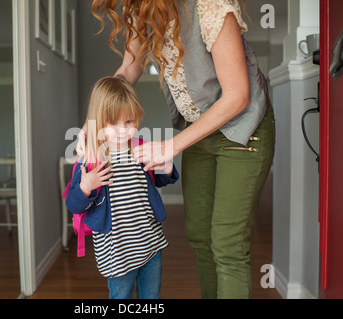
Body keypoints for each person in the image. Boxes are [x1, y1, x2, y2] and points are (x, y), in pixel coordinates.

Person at [80, 0, 276, 299]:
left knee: (227, 244)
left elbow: (238, 96)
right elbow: (130, 66)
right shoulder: (142, 8)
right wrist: (94, 119)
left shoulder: (210, 5)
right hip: (200, 129)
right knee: (199, 235)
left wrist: (170, 146)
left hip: (244, 129)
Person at [66, 76, 179, 299]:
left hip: (150, 244)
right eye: (113, 123)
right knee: (121, 296)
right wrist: (85, 187)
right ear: (98, 122)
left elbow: (159, 179)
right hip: (117, 252)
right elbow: (73, 204)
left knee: (152, 296)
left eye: (128, 122)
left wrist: (166, 167)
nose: (122, 130)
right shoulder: (91, 159)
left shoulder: (140, 149)